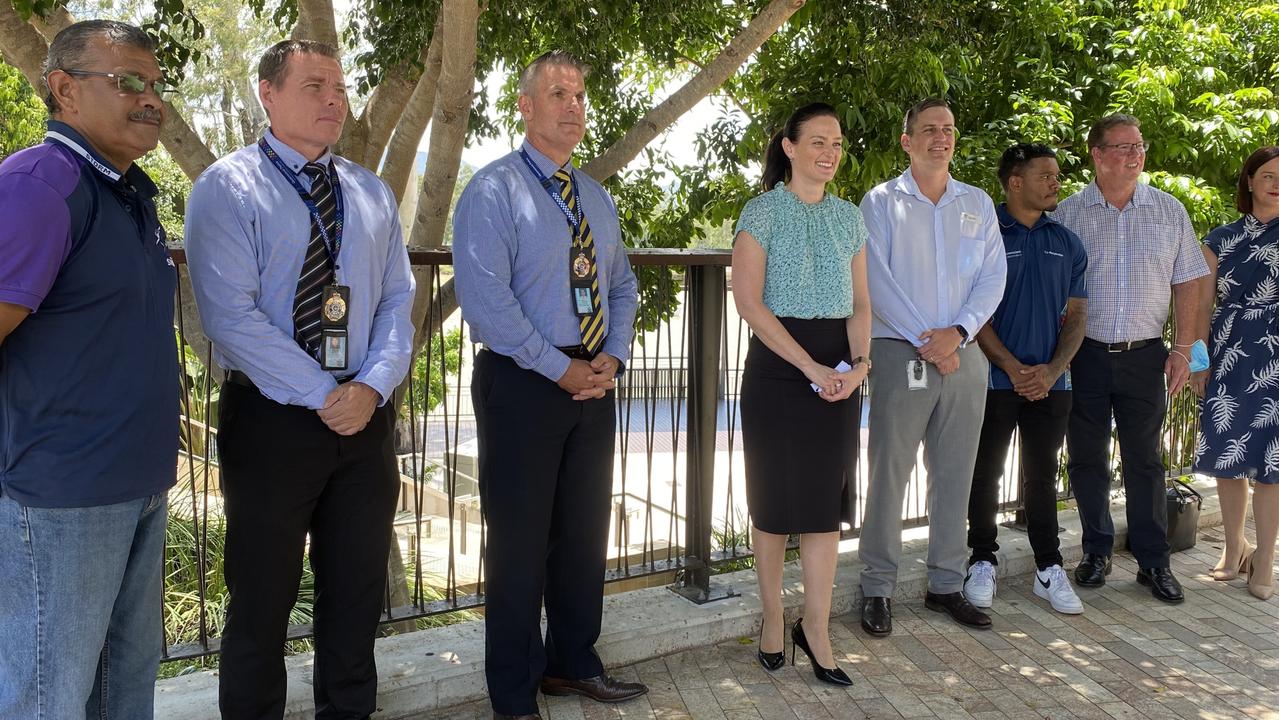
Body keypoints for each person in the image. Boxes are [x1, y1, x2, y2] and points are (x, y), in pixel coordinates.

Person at [185, 39, 415, 718]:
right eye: (314, 85)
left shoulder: (369, 191)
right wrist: (324, 394)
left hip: (365, 420)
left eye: (339, 88)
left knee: (355, 592)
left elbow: (399, 299)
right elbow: (230, 318)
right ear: (268, 92)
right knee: (261, 598)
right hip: (272, 422)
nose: (333, 100)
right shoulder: (226, 187)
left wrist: (370, 388)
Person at [452, 51, 645, 720]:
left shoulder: (593, 195)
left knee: (583, 534)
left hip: (593, 381)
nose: (572, 106)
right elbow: (486, 303)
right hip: (522, 382)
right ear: (526, 106)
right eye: (557, 93)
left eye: (579, 95)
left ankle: (571, 666)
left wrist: (610, 359)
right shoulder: (491, 191)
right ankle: (513, 695)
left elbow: (621, 285)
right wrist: (557, 366)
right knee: (518, 544)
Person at [0, 20, 178, 719]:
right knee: (47, 699)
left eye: (158, 84)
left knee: (121, 695)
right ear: (64, 91)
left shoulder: (125, 191)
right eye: (128, 80)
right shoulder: (42, 183)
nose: (150, 99)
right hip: (63, 498)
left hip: (135, 489)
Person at [857, 98, 1007, 636]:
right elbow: (876, 280)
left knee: (955, 472)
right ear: (907, 140)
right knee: (889, 470)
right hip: (902, 350)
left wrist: (958, 333)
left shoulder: (978, 203)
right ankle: (877, 586)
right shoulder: (879, 202)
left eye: (947, 129)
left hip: (963, 353)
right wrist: (931, 339)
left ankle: (946, 583)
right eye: (927, 130)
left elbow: (993, 277)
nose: (939, 138)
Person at [732, 102, 871, 685]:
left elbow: (862, 304)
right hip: (778, 371)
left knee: (822, 511)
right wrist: (809, 365)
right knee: (772, 507)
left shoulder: (850, 219)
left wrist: (858, 367)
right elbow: (749, 303)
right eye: (818, 142)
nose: (830, 153)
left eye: (836, 144)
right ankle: (771, 617)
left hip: (838, 373)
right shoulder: (760, 213)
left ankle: (814, 627)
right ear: (789, 147)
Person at [1053, 114, 1208, 604]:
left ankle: (1153, 562)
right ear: (1097, 156)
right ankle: (1095, 551)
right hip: (1084, 357)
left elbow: (1188, 279)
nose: (1135, 154)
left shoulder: (1168, 211)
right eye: (1122, 147)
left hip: (1146, 356)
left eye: (1139, 145)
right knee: (1087, 459)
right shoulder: (1067, 215)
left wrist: (1184, 348)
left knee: (1145, 461)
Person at [963, 144, 1088, 615]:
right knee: (985, 474)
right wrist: (1012, 367)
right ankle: (981, 560)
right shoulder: (984, 234)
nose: (1056, 182)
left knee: (1041, 476)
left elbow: (1077, 316)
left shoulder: (1068, 242)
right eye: (1046, 175)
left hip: (1052, 385)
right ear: (1015, 182)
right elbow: (972, 312)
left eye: (1058, 175)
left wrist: (1052, 371)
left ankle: (1048, 568)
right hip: (993, 381)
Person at [1190, 145, 1279, 602]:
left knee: (1271, 466)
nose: (1275, 183)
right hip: (1230, 350)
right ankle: (1233, 547)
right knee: (1228, 456)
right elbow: (1202, 306)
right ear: (1249, 181)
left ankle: (1264, 558)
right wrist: (1198, 362)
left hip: (1276, 356)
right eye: (1267, 175)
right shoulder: (1218, 239)